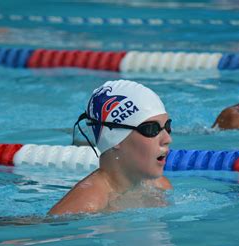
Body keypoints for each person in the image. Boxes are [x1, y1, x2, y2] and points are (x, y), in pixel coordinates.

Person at [49, 80, 172, 215]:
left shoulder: (160, 186)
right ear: (114, 137)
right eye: (151, 129)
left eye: (167, 126)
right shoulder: (86, 206)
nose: (167, 139)